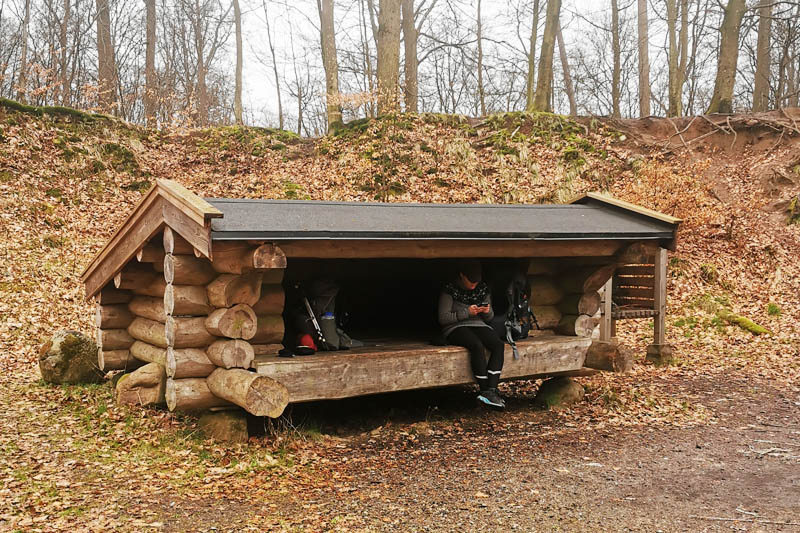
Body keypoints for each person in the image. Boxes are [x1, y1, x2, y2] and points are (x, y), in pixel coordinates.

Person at [438, 260, 505, 409]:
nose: (474, 285)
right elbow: (443, 318)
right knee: (476, 345)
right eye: (471, 281)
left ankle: (492, 390)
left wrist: (487, 311)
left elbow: (490, 318)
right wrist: (466, 313)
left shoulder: (482, 289)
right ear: (462, 275)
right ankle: (484, 390)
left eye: (476, 282)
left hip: (478, 324)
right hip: (455, 327)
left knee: (498, 345)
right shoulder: (450, 289)